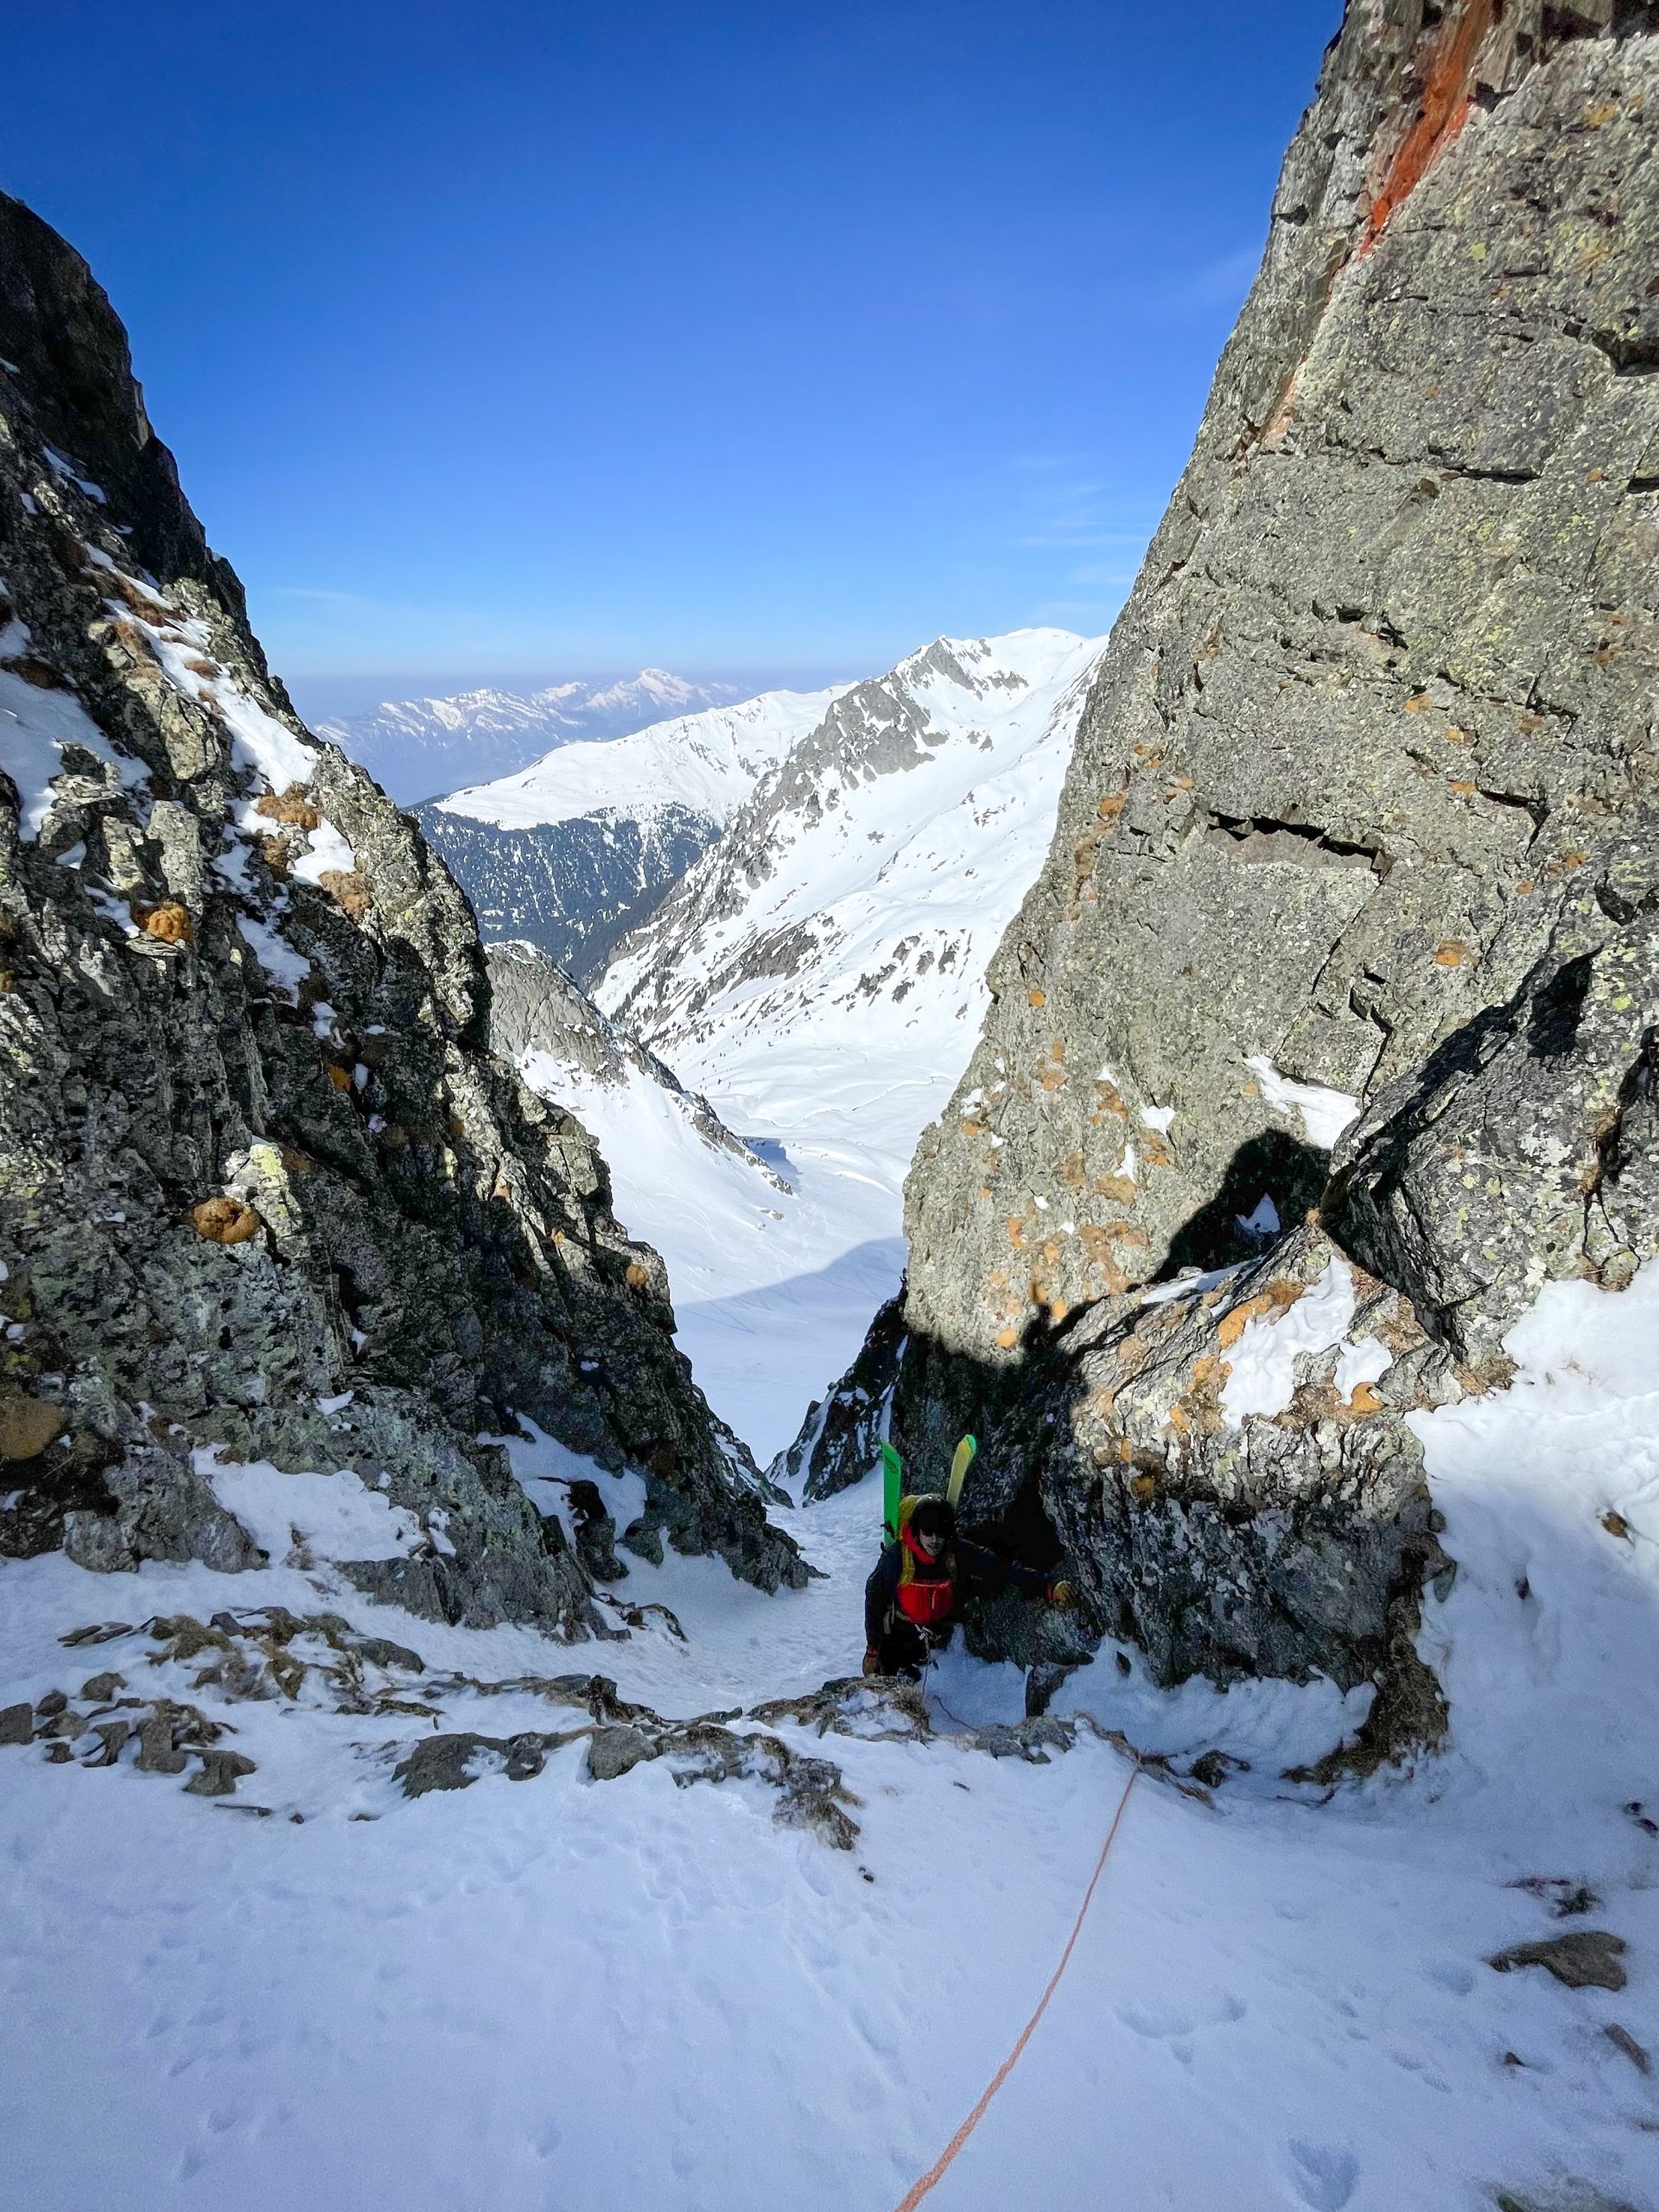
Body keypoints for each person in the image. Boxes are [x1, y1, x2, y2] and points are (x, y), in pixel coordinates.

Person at [862, 1493, 1074, 1680]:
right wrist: (873, 1649)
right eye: (928, 1531)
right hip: (900, 1638)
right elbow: (874, 1597)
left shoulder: (956, 1552)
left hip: (944, 1634)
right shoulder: (897, 1558)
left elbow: (1002, 1569)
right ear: (917, 1531)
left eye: (941, 1532)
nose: (935, 1540)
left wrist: (1047, 1585)